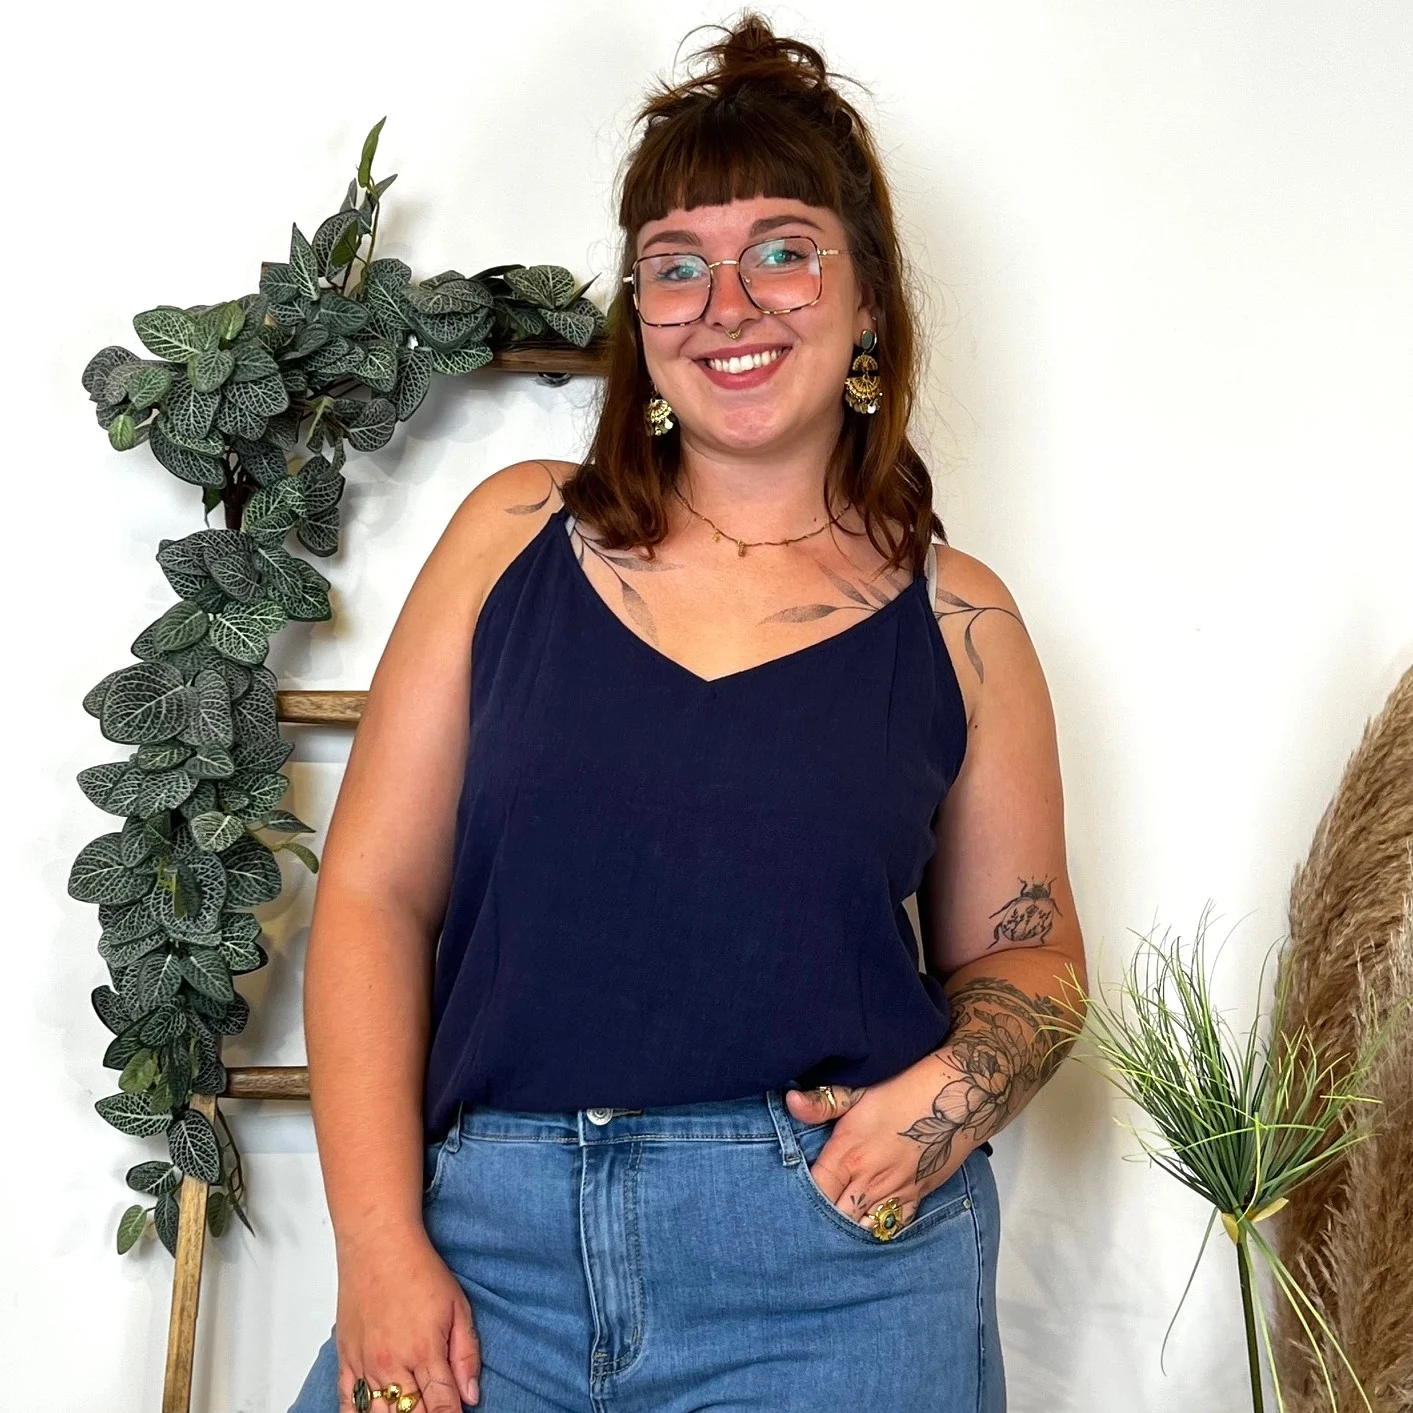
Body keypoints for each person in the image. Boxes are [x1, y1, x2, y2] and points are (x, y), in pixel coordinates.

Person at [290, 14, 1087, 1413]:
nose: (728, 304)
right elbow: (371, 898)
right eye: (676, 265)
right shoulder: (510, 538)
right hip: (488, 1259)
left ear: (870, 300)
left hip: (836, 1274)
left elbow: (1031, 957)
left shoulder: (962, 622)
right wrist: (376, 1245)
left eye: (783, 249)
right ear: (640, 313)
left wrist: (946, 1095)